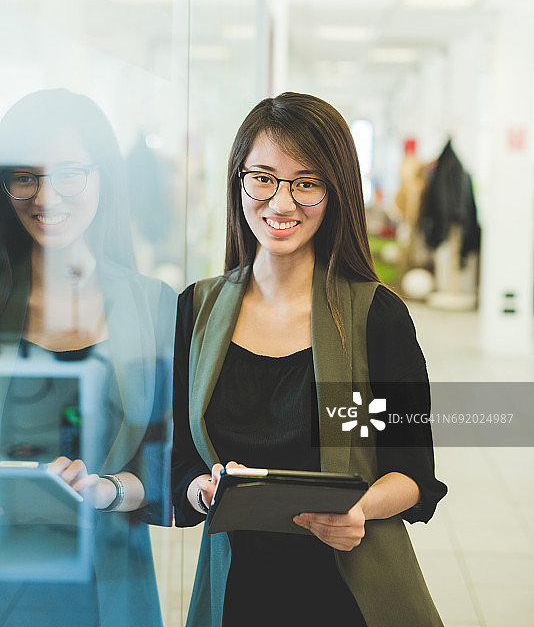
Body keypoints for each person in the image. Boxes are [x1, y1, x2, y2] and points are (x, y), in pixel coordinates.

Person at [172, 92, 447, 627]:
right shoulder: (196, 311)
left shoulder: (376, 317)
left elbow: (414, 474)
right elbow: (180, 457)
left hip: (346, 591)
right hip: (235, 591)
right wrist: (199, 488)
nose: (281, 203)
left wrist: (361, 508)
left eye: (307, 182)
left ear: (336, 191)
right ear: (238, 181)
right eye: (264, 177)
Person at [0, 89, 176, 627]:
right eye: (24, 176)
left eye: (69, 173)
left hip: (112, 582)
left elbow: (174, 461)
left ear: (104, 177)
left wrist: (109, 490)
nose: (45, 196)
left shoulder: (154, 306)